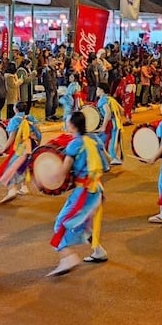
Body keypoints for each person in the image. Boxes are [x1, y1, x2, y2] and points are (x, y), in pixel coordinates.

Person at [48, 110, 110, 277]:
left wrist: (43, 179)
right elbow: (107, 163)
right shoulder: (94, 140)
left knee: (62, 223)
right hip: (97, 190)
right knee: (85, 223)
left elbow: (62, 171)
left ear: (72, 125)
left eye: (67, 121)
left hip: (85, 192)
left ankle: (67, 258)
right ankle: (98, 251)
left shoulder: (75, 144)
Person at [0, 101, 42, 204]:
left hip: (20, 148)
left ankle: (12, 190)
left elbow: (12, 138)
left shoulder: (14, 120)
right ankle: (24, 187)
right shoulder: (30, 118)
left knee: (10, 168)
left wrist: (2, 149)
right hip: (30, 146)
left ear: (15, 109)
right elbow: (39, 133)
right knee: (23, 166)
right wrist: (37, 144)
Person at [95, 84, 123, 166]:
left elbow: (107, 113)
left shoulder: (102, 100)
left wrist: (103, 126)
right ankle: (112, 157)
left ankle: (112, 158)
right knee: (111, 140)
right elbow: (121, 110)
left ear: (102, 90)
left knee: (109, 141)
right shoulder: (110, 99)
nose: (96, 91)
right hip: (115, 123)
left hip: (111, 124)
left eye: (97, 89)